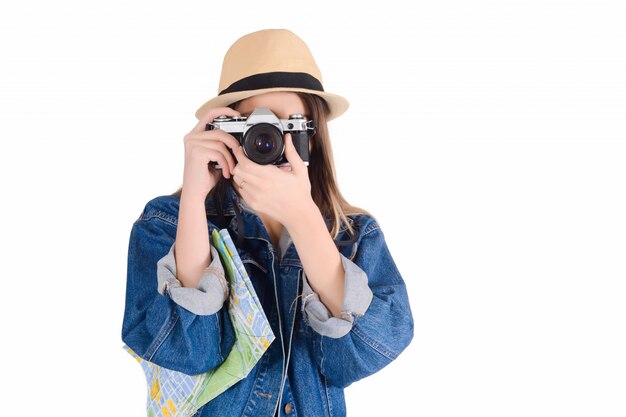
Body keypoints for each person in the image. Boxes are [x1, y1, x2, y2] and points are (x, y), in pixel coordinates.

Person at [122, 28, 414, 417]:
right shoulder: (165, 223)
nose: (267, 140)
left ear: (313, 135)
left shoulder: (352, 236)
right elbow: (184, 351)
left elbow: (361, 356)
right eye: (254, 126)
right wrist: (194, 199)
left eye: (286, 126)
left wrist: (304, 218)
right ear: (224, 131)